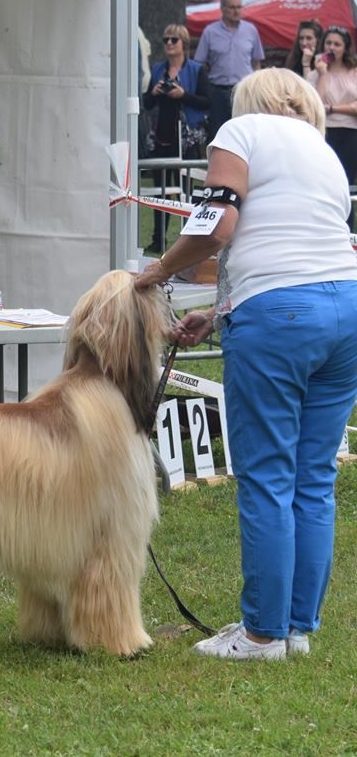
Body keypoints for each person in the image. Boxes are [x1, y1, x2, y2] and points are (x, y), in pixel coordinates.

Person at [136, 68, 357, 660]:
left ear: (249, 101)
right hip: (346, 307)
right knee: (315, 477)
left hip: (279, 316)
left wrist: (157, 270)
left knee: (266, 477)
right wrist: (220, 311)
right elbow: (301, 241)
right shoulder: (323, 149)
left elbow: (220, 226)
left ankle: (260, 633)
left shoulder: (240, 130)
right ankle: (297, 629)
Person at [142, 23, 211, 252]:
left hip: (186, 136)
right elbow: (147, 103)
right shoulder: (159, 68)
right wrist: (153, 92)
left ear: (184, 43)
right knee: (160, 191)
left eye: (174, 40)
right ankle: (158, 238)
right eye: (166, 40)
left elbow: (206, 101)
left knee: (186, 190)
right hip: (162, 134)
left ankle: (187, 239)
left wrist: (183, 94)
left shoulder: (195, 69)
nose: (169, 44)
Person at [193, 0, 264, 141]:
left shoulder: (251, 30)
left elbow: (257, 62)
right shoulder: (210, 32)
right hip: (218, 91)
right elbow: (199, 63)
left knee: (246, 134)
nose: (236, 11)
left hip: (244, 91)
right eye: (232, 7)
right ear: (222, 9)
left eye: (239, 7)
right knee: (219, 135)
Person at [307, 25, 357, 228]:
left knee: (346, 181)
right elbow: (314, 104)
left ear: (345, 48)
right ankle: (324, 225)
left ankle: (347, 225)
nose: (332, 47)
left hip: (350, 132)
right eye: (328, 43)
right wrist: (323, 73)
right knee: (324, 182)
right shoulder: (316, 73)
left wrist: (332, 108)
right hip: (325, 132)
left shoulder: (353, 72)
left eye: (337, 44)